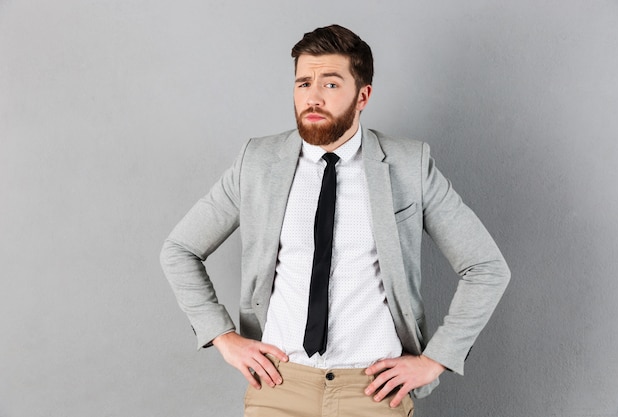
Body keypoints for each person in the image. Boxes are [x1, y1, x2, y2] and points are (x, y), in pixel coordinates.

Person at [160, 24, 510, 417]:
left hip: (374, 392)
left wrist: (437, 359)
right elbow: (180, 249)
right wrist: (222, 336)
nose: (312, 97)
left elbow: (485, 267)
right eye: (303, 82)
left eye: (329, 84)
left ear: (363, 96)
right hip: (279, 386)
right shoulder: (257, 162)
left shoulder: (409, 165)